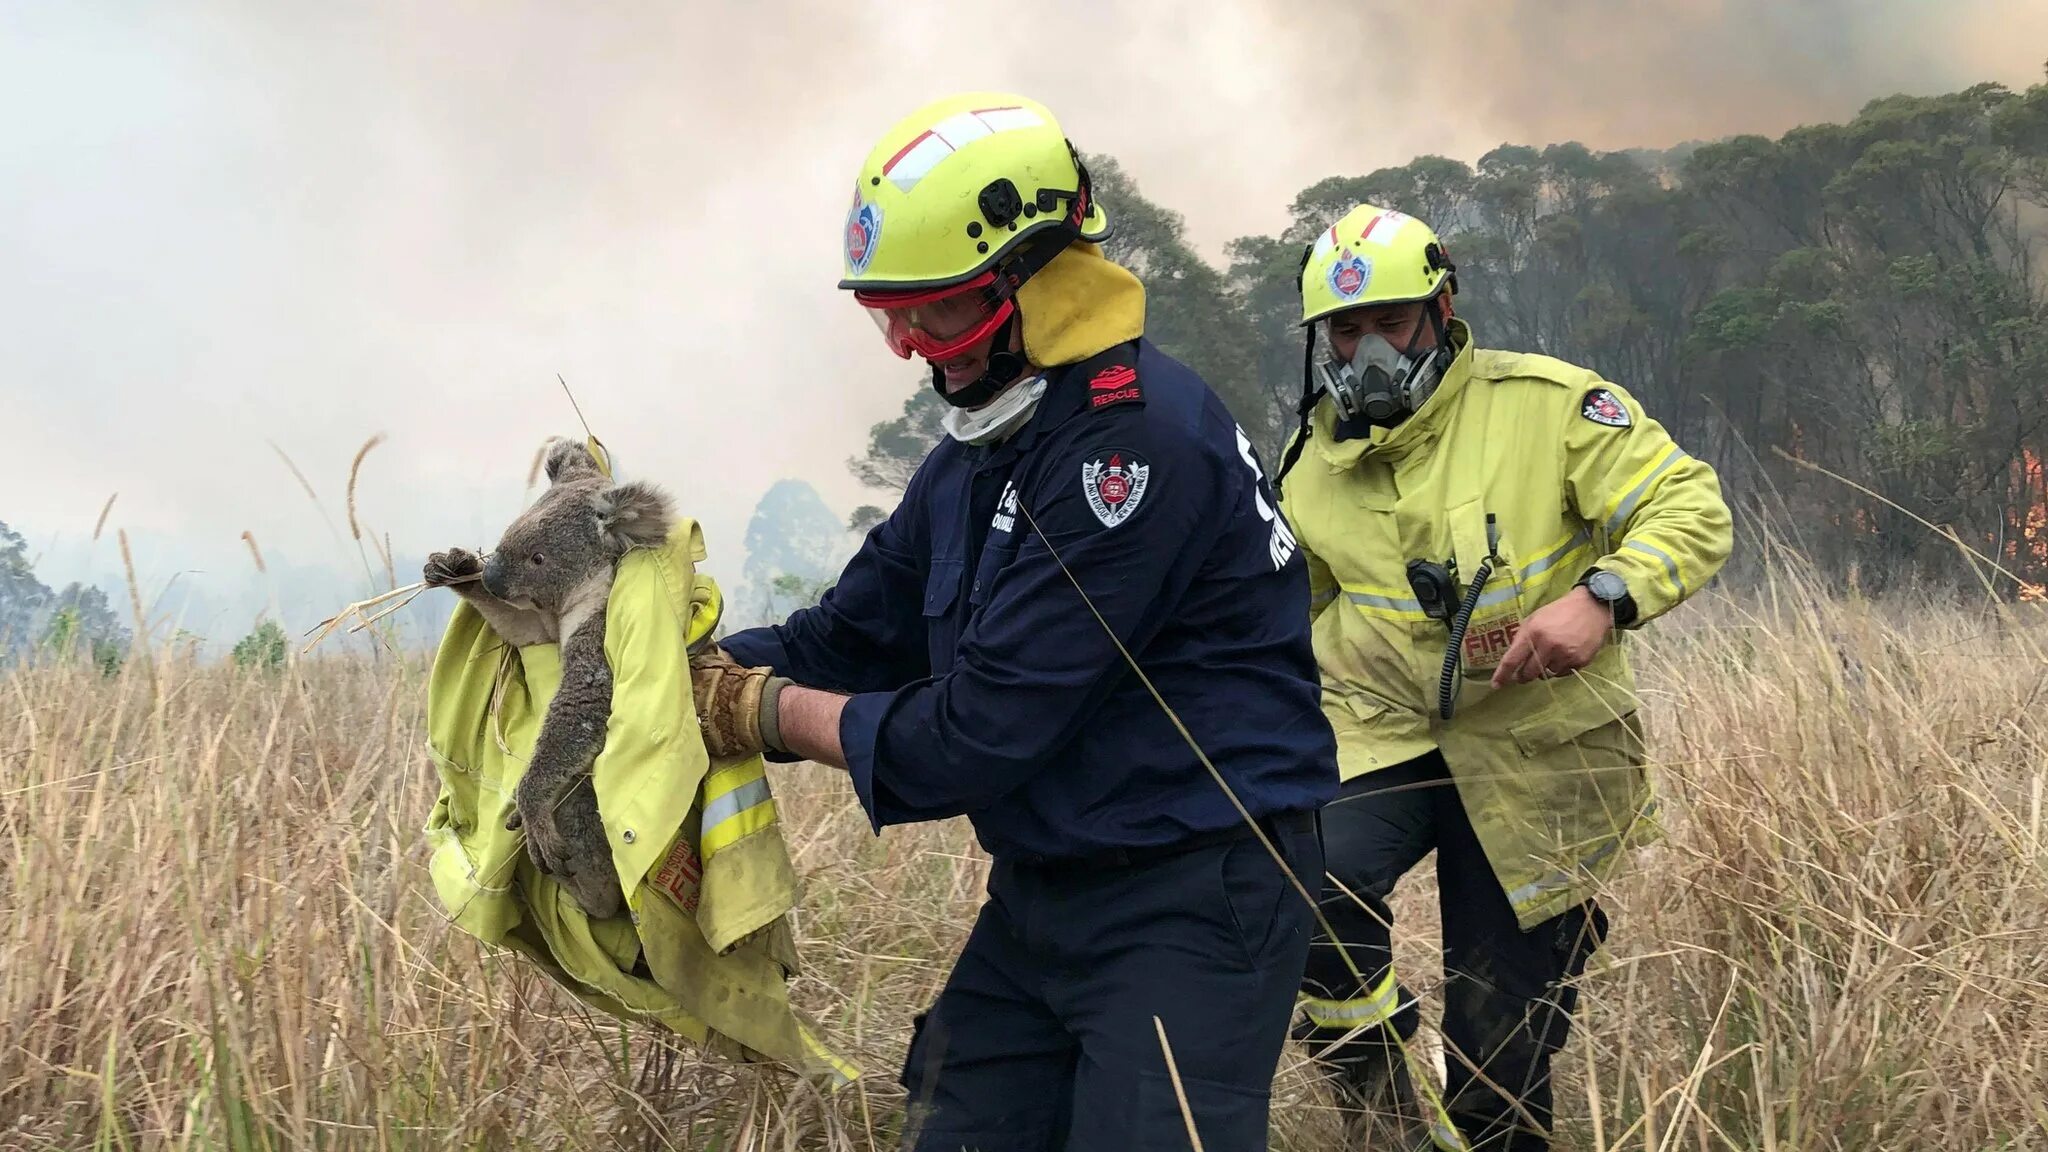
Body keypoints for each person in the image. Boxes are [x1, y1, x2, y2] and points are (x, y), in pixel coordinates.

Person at [685, 91, 1339, 1151]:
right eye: (885, 313)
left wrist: (761, 714)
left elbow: (977, 733)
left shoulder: (1128, 452)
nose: (905, 347)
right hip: (1046, 890)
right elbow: (841, 637)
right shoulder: (974, 455)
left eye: (934, 310)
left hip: (1194, 889)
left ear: (1034, 276)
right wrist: (670, 671)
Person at [1269, 203, 1733, 1151]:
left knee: (1500, 1046)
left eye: (1389, 325)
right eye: (1344, 332)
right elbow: (1282, 612)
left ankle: (1489, 1095)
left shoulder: (1549, 404)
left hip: (1535, 745)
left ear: (1442, 309)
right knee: (1299, 886)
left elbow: (1690, 506)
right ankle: (1386, 1113)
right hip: (1383, 731)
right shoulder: (1309, 464)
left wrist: (1603, 597)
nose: (1365, 355)